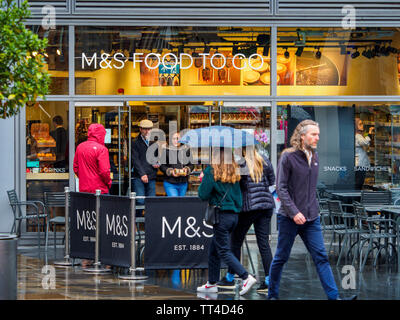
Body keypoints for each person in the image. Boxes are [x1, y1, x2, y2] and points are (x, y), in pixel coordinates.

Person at [267, 119, 357, 300]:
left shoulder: (314, 157)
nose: (317, 138)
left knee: (321, 257)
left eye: (318, 135)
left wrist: (310, 210)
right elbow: (281, 188)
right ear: (302, 137)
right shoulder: (288, 156)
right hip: (289, 218)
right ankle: (272, 295)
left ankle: (334, 297)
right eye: (314, 134)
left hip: (311, 218)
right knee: (281, 258)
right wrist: (294, 212)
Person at [197, 148, 257, 296]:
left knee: (223, 250)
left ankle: (245, 276)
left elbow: (202, 194)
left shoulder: (211, 171)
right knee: (214, 249)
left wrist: (203, 178)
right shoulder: (235, 171)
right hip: (234, 217)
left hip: (221, 216)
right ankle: (211, 283)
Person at [217, 146, 275, 293]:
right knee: (264, 244)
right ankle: (269, 281)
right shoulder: (265, 161)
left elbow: (237, 186)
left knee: (235, 241)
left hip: (249, 208)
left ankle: (230, 277)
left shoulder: (241, 164)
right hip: (266, 205)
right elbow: (271, 182)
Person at [73, 123, 112, 268]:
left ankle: (87, 258)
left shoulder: (80, 147)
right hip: (100, 191)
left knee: (87, 223)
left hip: (84, 191)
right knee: (103, 224)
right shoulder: (102, 149)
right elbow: (104, 171)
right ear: (100, 134)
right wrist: (108, 183)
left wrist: (84, 178)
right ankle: (105, 257)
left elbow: (75, 167)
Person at [131, 119, 160, 215]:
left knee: (151, 202)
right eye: (145, 129)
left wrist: (157, 163)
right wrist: (142, 174)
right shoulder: (135, 142)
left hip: (151, 176)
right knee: (140, 201)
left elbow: (156, 157)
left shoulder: (154, 142)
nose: (147, 131)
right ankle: (136, 224)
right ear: (140, 129)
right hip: (139, 177)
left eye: (149, 129)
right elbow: (135, 160)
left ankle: (150, 225)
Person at [160, 132, 194, 197]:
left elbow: (191, 164)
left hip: (183, 183)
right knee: (174, 202)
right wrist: (171, 171)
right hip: (170, 183)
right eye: (174, 139)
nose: (176, 141)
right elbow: (162, 166)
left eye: (178, 138)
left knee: (180, 204)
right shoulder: (166, 150)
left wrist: (186, 169)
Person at [355, 118, 374, 190]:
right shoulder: (357, 136)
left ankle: (356, 198)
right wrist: (369, 133)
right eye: (360, 124)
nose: (362, 125)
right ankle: (356, 199)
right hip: (360, 164)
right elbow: (365, 142)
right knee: (359, 183)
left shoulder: (359, 135)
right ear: (356, 126)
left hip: (360, 163)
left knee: (359, 183)